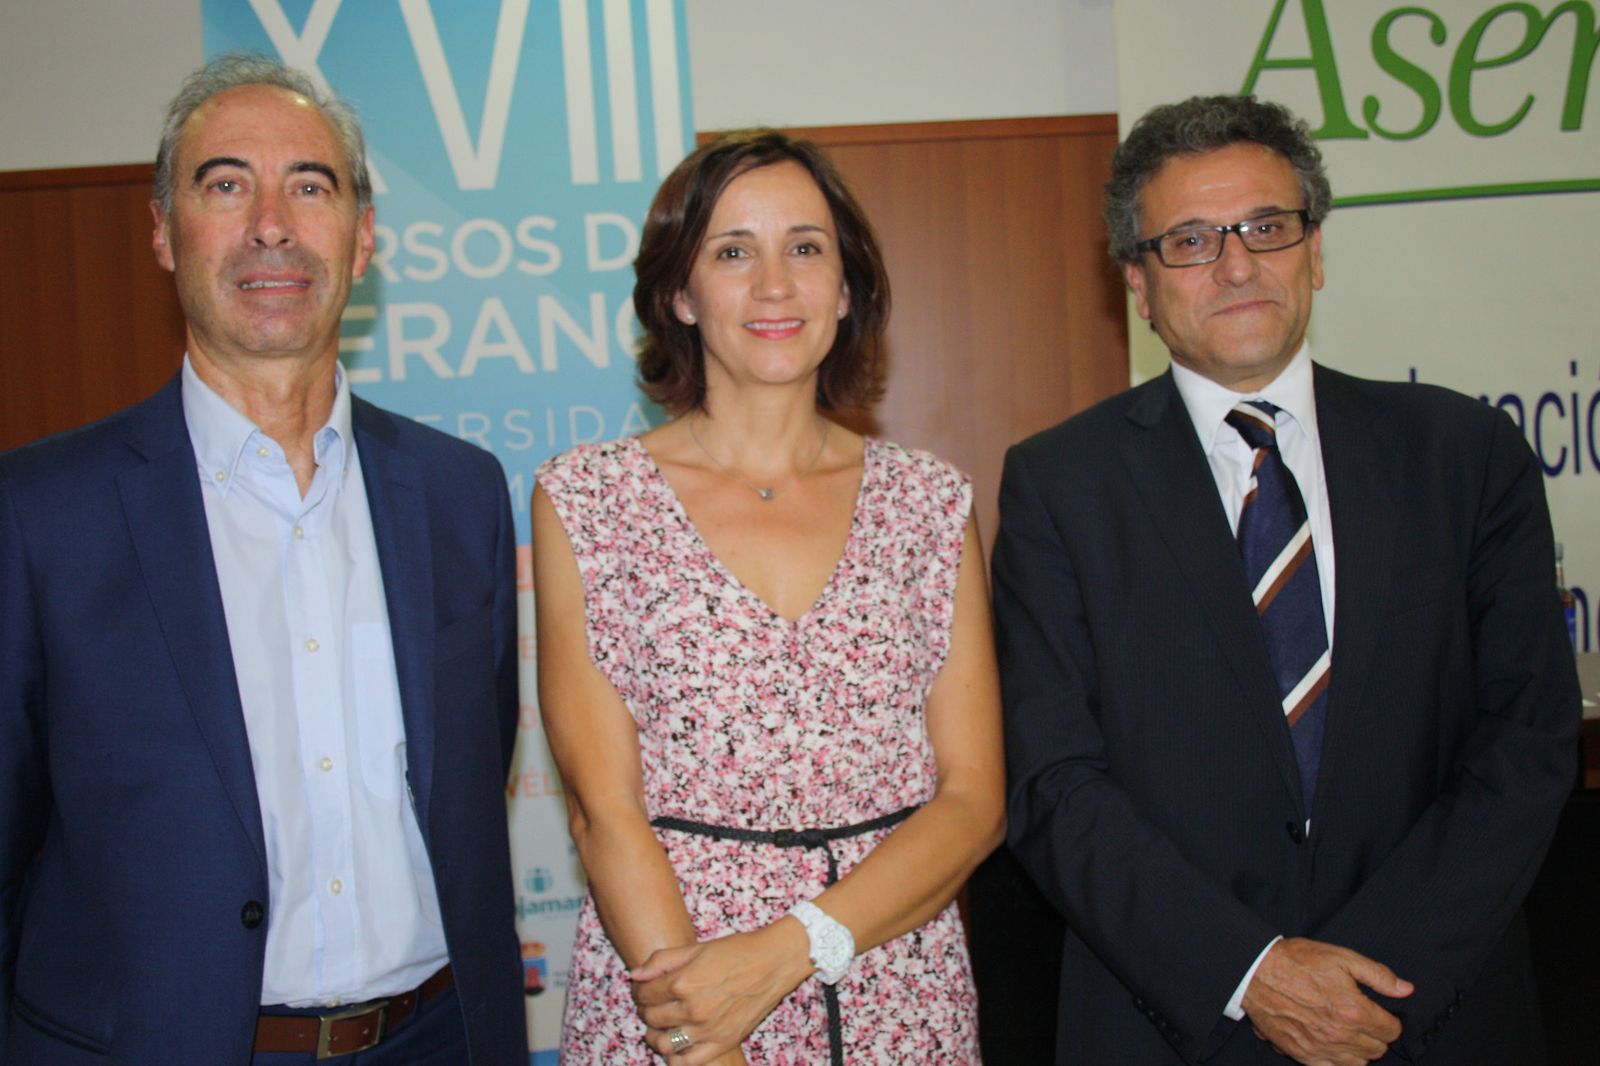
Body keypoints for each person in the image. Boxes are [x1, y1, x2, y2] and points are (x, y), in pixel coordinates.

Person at [994, 94, 1579, 1066]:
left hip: (1427, 1010)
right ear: (1137, 283)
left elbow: (1526, 738)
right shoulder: (1060, 486)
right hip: (1178, 1018)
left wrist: (1362, 982)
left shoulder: (1465, 454)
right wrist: (1250, 971)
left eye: (1266, 228)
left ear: (1314, 251)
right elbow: (1052, 780)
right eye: (1190, 241)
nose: (1236, 266)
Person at [0, 55, 524, 1065]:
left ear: (363, 237)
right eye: (226, 184)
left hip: (435, 1039)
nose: (272, 224)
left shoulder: (459, 494)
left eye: (311, 186)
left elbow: (475, 771)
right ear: (164, 232)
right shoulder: (38, 515)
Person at [532, 130, 1004, 1065]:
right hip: (672, 988)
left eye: (806, 248)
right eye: (732, 252)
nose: (775, 285)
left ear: (846, 287)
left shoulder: (930, 503)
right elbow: (601, 808)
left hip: (895, 979)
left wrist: (792, 950)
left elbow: (973, 798)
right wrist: (703, 1030)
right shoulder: (587, 497)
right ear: (680, 293)